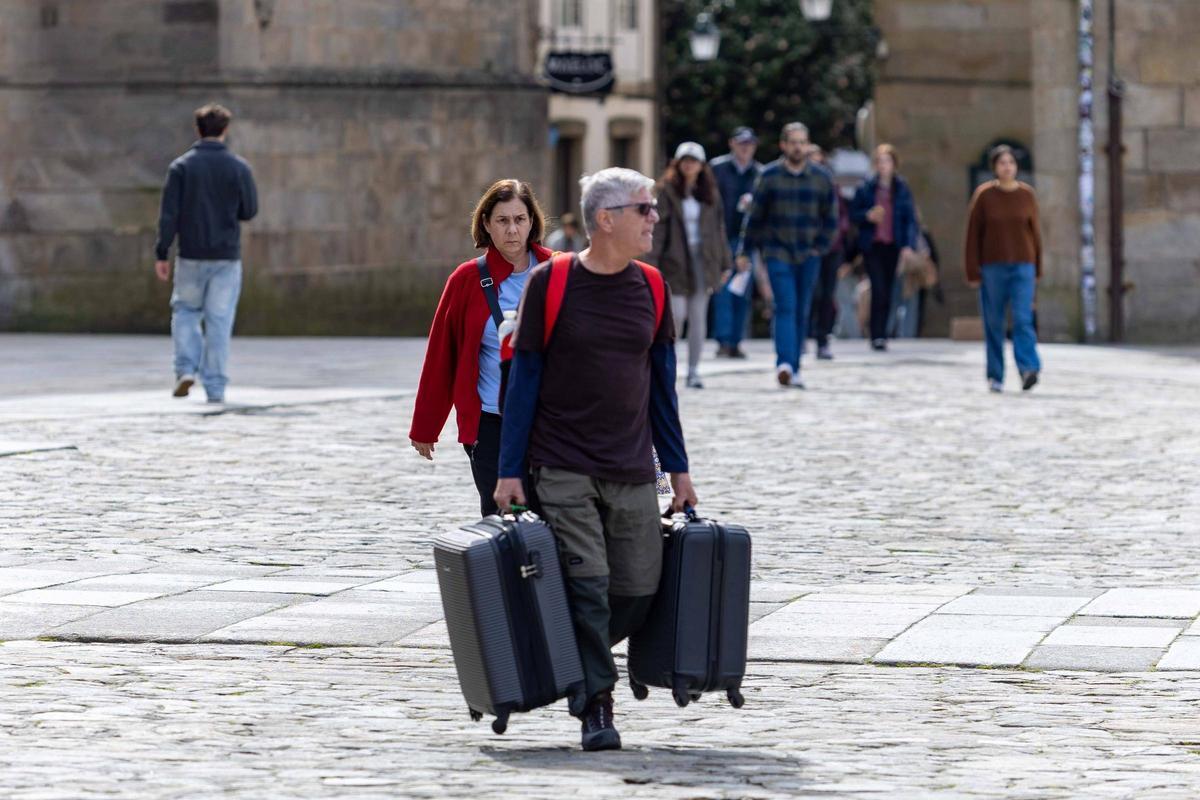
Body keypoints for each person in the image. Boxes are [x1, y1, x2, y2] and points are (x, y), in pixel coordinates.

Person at [494, 167, 697, 752]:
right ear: (605, 219)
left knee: (638, 586)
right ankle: (596, 705)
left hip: (632, 465)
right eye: (645, 209)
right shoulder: (549, 284)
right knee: (588, 583)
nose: (654, 218)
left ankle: (577, 661)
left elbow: (663, 390)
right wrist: (510, 470)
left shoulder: (653, 288)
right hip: (560, 464)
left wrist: (679, 469)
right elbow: (522, 383)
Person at [408, 179, 553, 516]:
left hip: (550, 422)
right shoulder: (466, 280)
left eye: (520, 219)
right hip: (491, 423)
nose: (512, 230)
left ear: (532, 222)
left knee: (554, 519)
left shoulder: (559, 270)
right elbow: (442, 356)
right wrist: (426, 427)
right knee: (504, 520)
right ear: (486, 224)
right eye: (502, 221)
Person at [155, 103, 258, 404]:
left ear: (197, 129)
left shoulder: (181, 167)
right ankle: (215, 387)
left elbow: (168, 215)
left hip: (191, 254)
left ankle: (185, 368)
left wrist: (162, 252)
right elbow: (249, 210)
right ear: (225, 130)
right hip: (226, 256)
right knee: (219, 321)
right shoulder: (239, 168)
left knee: (186, 311)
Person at [741, 122, 838, 389]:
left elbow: (831, 219)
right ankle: (784, 363)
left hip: (809, 253)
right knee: (785, 306)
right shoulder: (769, 176)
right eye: (793, 142)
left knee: (802, 309)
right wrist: (745, 251)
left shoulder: (821, 178)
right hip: (777, 251)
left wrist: (821, 247)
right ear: (783, 145)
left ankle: (794, 368)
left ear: (807, 145)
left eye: (802, 142)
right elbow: (755, 217)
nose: (798, 147)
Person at [647, 142, 731, 389]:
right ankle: (668, 367)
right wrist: (651, 260)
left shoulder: (710, 193)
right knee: (676, 314)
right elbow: (657, 227)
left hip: (704, 259)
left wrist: (725, 262)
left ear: (701, 165)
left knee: (698, 317)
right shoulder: (665, 190)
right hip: (674, 258)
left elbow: (719, 229)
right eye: (685, 159)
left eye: (693, 160)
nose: (689, 164)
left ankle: (694, 370)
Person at [964, 145, 1043, 393]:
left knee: (1022, 319)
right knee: (994, 322)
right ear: (995, 167)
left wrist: (1037, 268)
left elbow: (1035, 234)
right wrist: (972, 271)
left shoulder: (1027, 195)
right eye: (1002, 163)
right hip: (993, 267)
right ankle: (995, 374)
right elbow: (973, 235)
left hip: (1023, 266)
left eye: (1011, 162)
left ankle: (1029, 368)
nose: (1007, 167)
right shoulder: (984, 196)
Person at [850, 144, 917, 352]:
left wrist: (907, 245)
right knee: (877, 288)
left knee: (888, 290)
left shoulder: (901, 188)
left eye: (887, 161)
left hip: (893, 245)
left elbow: (909, 219)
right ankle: (876, 334)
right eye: (879, 161)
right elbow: (854, 214)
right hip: (873, 245)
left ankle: (882, 333)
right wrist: (867, 216)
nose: (883, 166)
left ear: (894, 164)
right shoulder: (866, 187)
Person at [710, 126, 763, 359]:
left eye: (749, 144)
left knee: (742, 291)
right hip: (722, 238)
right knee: (722, 292)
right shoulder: (718, 169)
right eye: (742, 143)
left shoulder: (760, 174)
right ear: (732, 144)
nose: (745, 148)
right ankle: (723, 340)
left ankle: (736, 340)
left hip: (747, 241)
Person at [807, 145, 851, 360]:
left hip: (831, 248)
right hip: (807, 249)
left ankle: (822, 339)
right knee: (810, 294)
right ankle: (803, 336)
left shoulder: (831, 186)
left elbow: (842, 216)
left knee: (826, 294)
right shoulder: (800, 185)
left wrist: (833, 234)